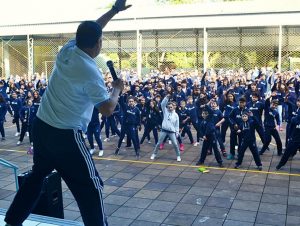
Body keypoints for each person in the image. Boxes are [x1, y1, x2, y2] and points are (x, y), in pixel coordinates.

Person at [4, 1, 129, 226]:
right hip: (65, 136)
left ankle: (13, 221)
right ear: (99, 43)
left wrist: (114, 10)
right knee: (91, 188)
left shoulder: (68, 49)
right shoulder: (90, 71)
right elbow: (107, 109)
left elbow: (94, 29)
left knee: (37, 176)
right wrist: (117, 89)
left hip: (42, 127)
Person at [150, 94, 181, 162]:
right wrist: (166, 97)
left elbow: (177, 125)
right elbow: (162, 104)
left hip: (172, 132)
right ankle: (154, 154)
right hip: (164, 130)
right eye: (168, 107)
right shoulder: (165, 111)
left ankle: (178, 155)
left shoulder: (176, 115)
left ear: (174, 107)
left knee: (175, 144)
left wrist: (177, 132)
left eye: (171, 107)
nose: (169, 108)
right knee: (158, 143)